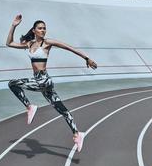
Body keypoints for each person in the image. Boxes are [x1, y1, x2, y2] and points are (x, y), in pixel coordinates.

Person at [6, 14, 97, 152]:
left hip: (44, 80)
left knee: (12, 83)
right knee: (62, 110)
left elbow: (69, 47)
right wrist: (13, 25)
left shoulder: (47, 43)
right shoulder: (29, 44)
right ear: (34, 30)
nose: (43, 30)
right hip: (41, 82)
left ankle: (29, 106)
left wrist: (87, 58)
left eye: (44, 28)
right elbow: (9, 43)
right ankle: (77, 134)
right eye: (40, 28)